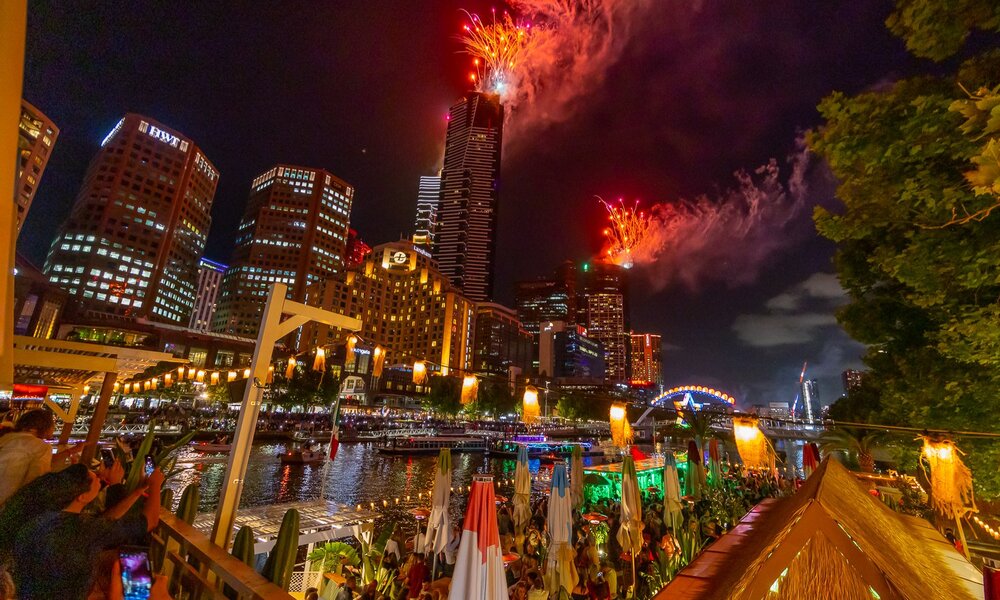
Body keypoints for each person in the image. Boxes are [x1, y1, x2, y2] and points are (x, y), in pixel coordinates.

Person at [0, 463, 164, 600]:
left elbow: (105, 522)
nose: (99, 478)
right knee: (138, 565)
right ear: (82, 496)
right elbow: (150, 521)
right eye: (95, 478)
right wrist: (156, 484)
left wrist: (136, 492)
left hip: (29, 591)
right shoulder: (81, 529)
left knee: (129, 560)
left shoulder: (46, 516)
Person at [0, 409, 82, 504]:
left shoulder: (6, 439)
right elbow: (37, 483)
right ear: (44, 426)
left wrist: (73, 450)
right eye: (52, 424)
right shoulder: (40, 447)